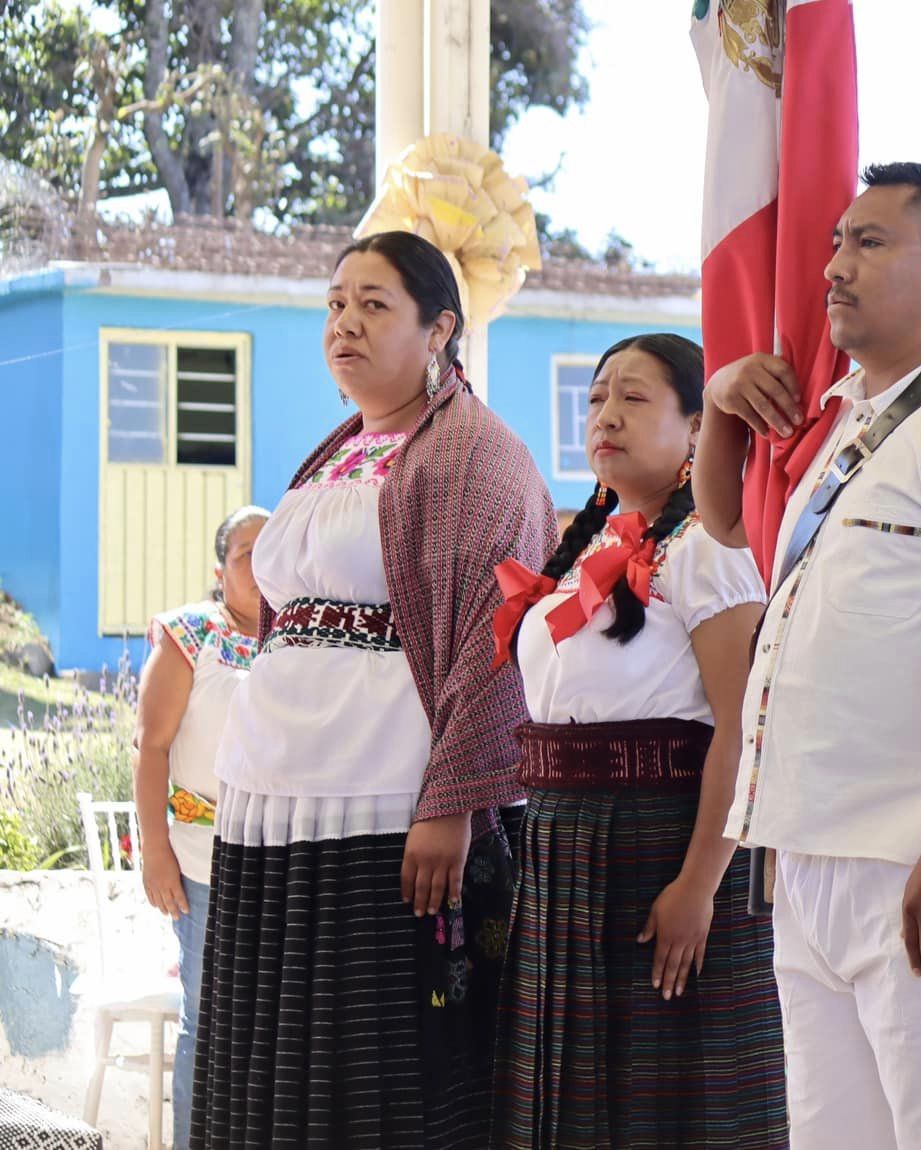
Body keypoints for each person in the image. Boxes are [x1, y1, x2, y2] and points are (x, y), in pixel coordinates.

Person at [695, 163, 921, 1149]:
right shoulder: (842, 430)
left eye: (868, 244)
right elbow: (721, 518)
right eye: (834, 243)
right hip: (812, 855)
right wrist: (724, 398)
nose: (834, 267)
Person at [193, 231, 555, 1148]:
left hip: (386, 787)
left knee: (374, 1036)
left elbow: (498, 636)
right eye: (335, 304)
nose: (344, 323)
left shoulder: (478, 453)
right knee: (267, 1029)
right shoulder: (335, 452)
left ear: (440, 330)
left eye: (374, 304)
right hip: (274, 782)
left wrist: (452, 802)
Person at [490, 333, 783, 1147]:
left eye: (634, 397)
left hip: (665, 847)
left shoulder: (712, 555)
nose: (606, 416)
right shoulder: (585, 547)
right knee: (574, 1099)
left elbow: (743, 726)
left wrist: (699, 886)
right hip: (561, 847)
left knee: (668, 1106)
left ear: (696, 427)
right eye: (595, 399)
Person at [133, 505, 267, 1150]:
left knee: (273, 1024)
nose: (261, 565)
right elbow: (151, 745)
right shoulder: (193, 635)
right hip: (200, 857)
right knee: (211, 1017)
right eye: (246, 554)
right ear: (221, 572)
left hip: (279, 858)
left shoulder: (302, 641)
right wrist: (154, 852)